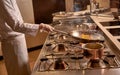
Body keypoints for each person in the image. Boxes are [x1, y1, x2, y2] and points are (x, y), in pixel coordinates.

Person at [0, 0, 54, 75]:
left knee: (24, 70)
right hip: (12, 43)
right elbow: (16, 25)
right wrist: (41, 26)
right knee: (19, 72)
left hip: (17, 40)